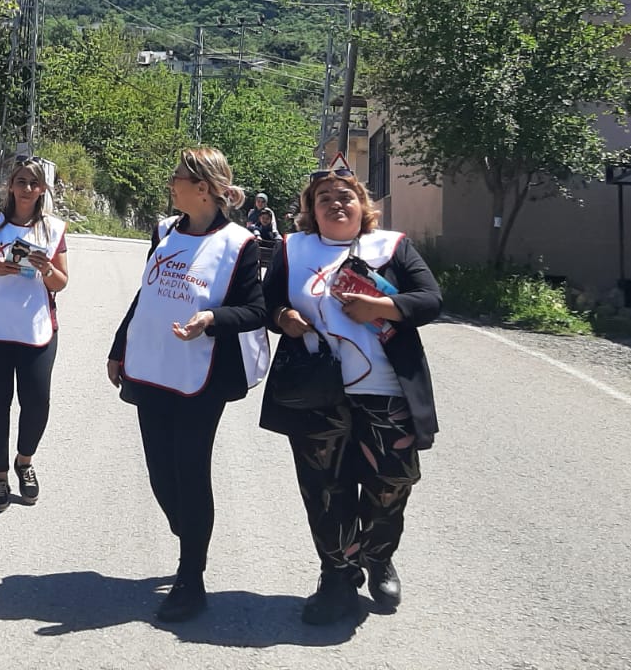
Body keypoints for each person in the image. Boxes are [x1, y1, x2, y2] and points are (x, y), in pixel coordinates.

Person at [261, 166, 442, 625]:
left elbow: (430, 299)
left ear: (363, 206)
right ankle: (337, 575)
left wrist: (381, 306)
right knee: (324, 489)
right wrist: (283, 317)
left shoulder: (392, 247)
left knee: (392, 481)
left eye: (345, 196)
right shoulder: (293, 248)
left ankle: (377, 556)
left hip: (385, 392)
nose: (335, 203)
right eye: (323, 198)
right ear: (311, 210)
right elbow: (264, 302)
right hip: (316, 392)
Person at [106, 147, 267, 622]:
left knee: (190, 471)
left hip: (202, 373)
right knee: (161, 474)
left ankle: (190, 576)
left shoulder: (239, 244)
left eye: (177, 177)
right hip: (151, 365)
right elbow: (146, 293)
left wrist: (211, 319)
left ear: (202, 188)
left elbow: (255, 310)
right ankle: (190, 532)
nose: (170, 183)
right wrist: (119, 346)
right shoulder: (164, 232)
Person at [0, 155, 69, 510]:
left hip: (35, 326)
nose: (27, 189)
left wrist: (46, 268)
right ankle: (0, 477)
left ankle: (25, 461)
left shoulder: (53, 229)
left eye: (34, 183)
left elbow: (61, 282)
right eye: (21, 181)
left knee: (37, 401)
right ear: (11, 185)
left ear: (43, 189)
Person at [245, 191, 280, 272]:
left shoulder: (268, 212)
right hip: (253, 234)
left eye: (262, 202)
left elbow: (273, 225)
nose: (260, 203)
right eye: (258, 201)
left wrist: (276, 234)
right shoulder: (252, 212)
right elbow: (248, 225)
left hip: (266, 234)